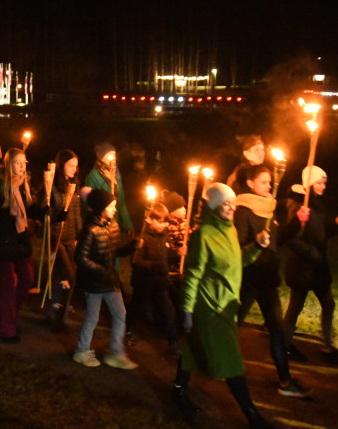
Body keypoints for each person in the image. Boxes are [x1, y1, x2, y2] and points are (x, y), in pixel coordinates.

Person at [172, 183, 274, 429]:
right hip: (209, 308)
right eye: (225, 204)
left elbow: (237, 261)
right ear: (213, 206)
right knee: (231, 361)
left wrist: (257, 247)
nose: (230, 208)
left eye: (232, 204)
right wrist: (186, 311)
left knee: (194, 352)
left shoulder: (230, 232)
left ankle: (177, 394)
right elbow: (193, 275)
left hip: (228, 306)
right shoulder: (203, 234)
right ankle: (252, 416)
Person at [234, 164, 312, 398]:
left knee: (277, 330)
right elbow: (236, 247)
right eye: (263, 181)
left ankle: (285, 381)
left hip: (267, 280)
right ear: (250, 183)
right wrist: (255, 242)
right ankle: (210, 364)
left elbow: (278, 240)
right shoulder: (243, 209)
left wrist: (298, 222)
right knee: (230, 326)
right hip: (247, 278)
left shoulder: (269, 207)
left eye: (270, 181)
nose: (269, 185)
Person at [281, 165, 338, 364]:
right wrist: (312, 253)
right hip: (303, 268)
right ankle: (284, 346)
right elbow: (293, 238)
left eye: (324, 182)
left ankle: (327, 345)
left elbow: (320, 232)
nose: (323, 186)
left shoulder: (316, 204)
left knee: (328, 303)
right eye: (319, 182)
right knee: (295, 308)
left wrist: (336, 226)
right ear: (309, 183)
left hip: (317, 269)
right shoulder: (299, 205)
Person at [72, 189, 138, 369]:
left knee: (120, 313)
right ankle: (82, 351)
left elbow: (115, 252)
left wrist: (131, 247)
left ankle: (115, 352)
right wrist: (100, 270)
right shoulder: (90, 230)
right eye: (111, 206)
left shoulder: (113, 226)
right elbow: (80, 257)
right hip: (93, 282)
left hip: (109, 280)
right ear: (101, 208)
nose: (115, 209)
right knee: (92, 317)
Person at [0, 148, 35, 343]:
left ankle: (8, 314)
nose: (21, 167)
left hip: (19, 242)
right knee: (8, 285)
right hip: (3, 242)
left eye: (24, 163)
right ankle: (6, 329)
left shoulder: (23, 186)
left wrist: (45, 210)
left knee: (27, 278)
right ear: (9, 164)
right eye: (17, 162)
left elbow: (29, 211)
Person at [130, 201, 179, 353]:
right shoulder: (143, 238)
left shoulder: (165, 237)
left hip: (160, 283)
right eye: (160, 221)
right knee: (135, 309)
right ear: (150, 220)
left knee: (168, 311)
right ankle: (125, 331)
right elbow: (137, 262)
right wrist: (156, 265)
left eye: (165, 221)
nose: (163, 225)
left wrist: (178, 254)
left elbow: (167, 255)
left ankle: (173, 342)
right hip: (144, 283)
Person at [42, 149, 83, 332]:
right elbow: (46, 210)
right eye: (70, 165)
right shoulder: (51, 186)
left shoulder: (73, 185)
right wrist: (53, 211)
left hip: (70, 238)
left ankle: (55, 311)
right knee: (70, 277)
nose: (74, 169)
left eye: (76, 166)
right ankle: (61, 315)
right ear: (62, 166)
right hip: (55, 238)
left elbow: (76, 213)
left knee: (61, 277)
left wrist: (78, 236)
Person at [84, 141, 134, 238]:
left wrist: (127, 224)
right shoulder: (93, 177)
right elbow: (89, 205)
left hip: (115, 222)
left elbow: (121, 202)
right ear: (101, 156)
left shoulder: (116, 175)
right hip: (101, 224)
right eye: (110, 154)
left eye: (114, 154)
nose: (113, 157)